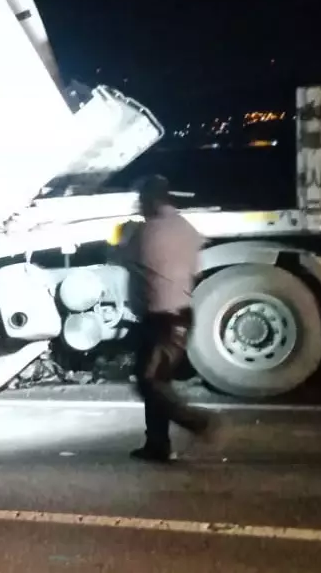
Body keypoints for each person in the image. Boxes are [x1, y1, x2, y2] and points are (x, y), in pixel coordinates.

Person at [124, 174, 220, 463]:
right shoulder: (187, 229)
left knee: (148, 382)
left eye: (141, 201)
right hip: (181, 316)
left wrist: (122, 235)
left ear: (151, 200)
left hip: (161, 319)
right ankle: (157, 444)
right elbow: (196, 270)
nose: (138, 207)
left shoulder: (148, 232)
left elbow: (121, 255)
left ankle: (198, 422)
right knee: (158, 382)